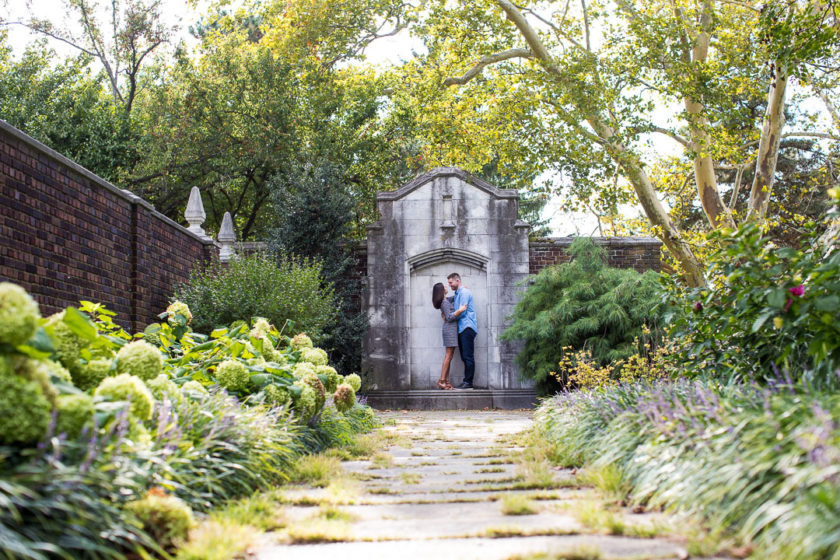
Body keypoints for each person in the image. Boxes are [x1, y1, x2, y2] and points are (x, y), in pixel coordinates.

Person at [432, 282, 466, 390]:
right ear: (441, 290)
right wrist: (460, 311)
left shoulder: (446, 300)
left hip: (451, 330)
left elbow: (454, 297)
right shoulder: (445, 303)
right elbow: (449, 317)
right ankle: (442, 381)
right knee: (448, 355)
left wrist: (461, 289)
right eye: (444, 286)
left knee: (450, 356)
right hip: (449, 330)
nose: (446, 287)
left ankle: (446, 381)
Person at [447, 272, 477, 389]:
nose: (450, 285)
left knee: (468, 356)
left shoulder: (464, 293)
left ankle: (468, 382)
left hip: (467, 327)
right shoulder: (458, 293)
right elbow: (449, 301)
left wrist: (450, 316)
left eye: (451, 282)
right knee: (465, 356)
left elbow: (462, 311)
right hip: (462, 328)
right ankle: (467, 381)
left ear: (457, 281)